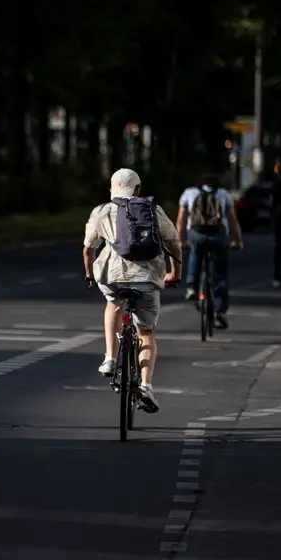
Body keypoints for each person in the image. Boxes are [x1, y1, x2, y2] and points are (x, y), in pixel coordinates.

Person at [83, 168, 182, 413]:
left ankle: (109, 358)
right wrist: (175, 274)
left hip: (112, 276)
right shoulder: (153, 211)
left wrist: (89, 274)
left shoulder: (102, 211)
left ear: (112, 188)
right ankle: (146, 386)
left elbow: (88, 249)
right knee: (146, 332)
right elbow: (174, 243)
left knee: (112, 303)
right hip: (147, 278)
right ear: (138, 189)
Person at [175, 175, 243, 329]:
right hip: (218, 235)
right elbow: (233, 221)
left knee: (195, 253)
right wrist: (238, 240)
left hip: (196, 234)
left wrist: (181, 240)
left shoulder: (189, 193)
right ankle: (220, 313)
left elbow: (181, 221)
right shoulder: (224, 194)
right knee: (220, 273)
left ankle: (192, 286)